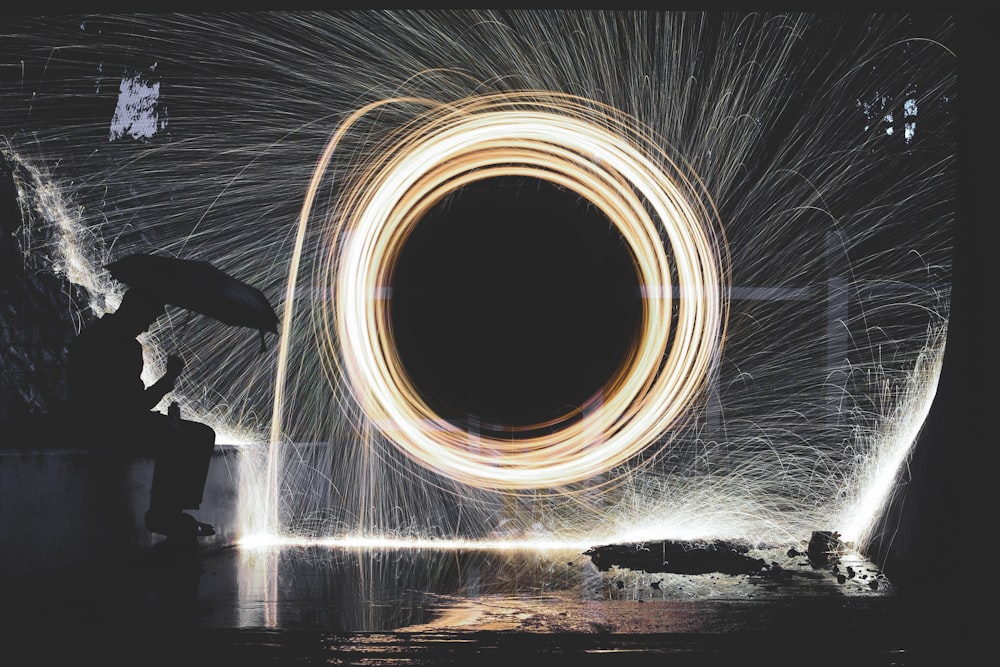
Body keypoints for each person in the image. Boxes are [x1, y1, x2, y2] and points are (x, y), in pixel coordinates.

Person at [67, 287, 216, 539]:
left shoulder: (95, 335)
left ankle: (171, 513)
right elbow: (135, 404)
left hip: (92, 419)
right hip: (108, 425)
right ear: (136, 311)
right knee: (195, 435)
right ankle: (164, 514)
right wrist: (169, 378)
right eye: (148, 320)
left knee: (186, 433)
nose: (147, 328)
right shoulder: (122, 346)